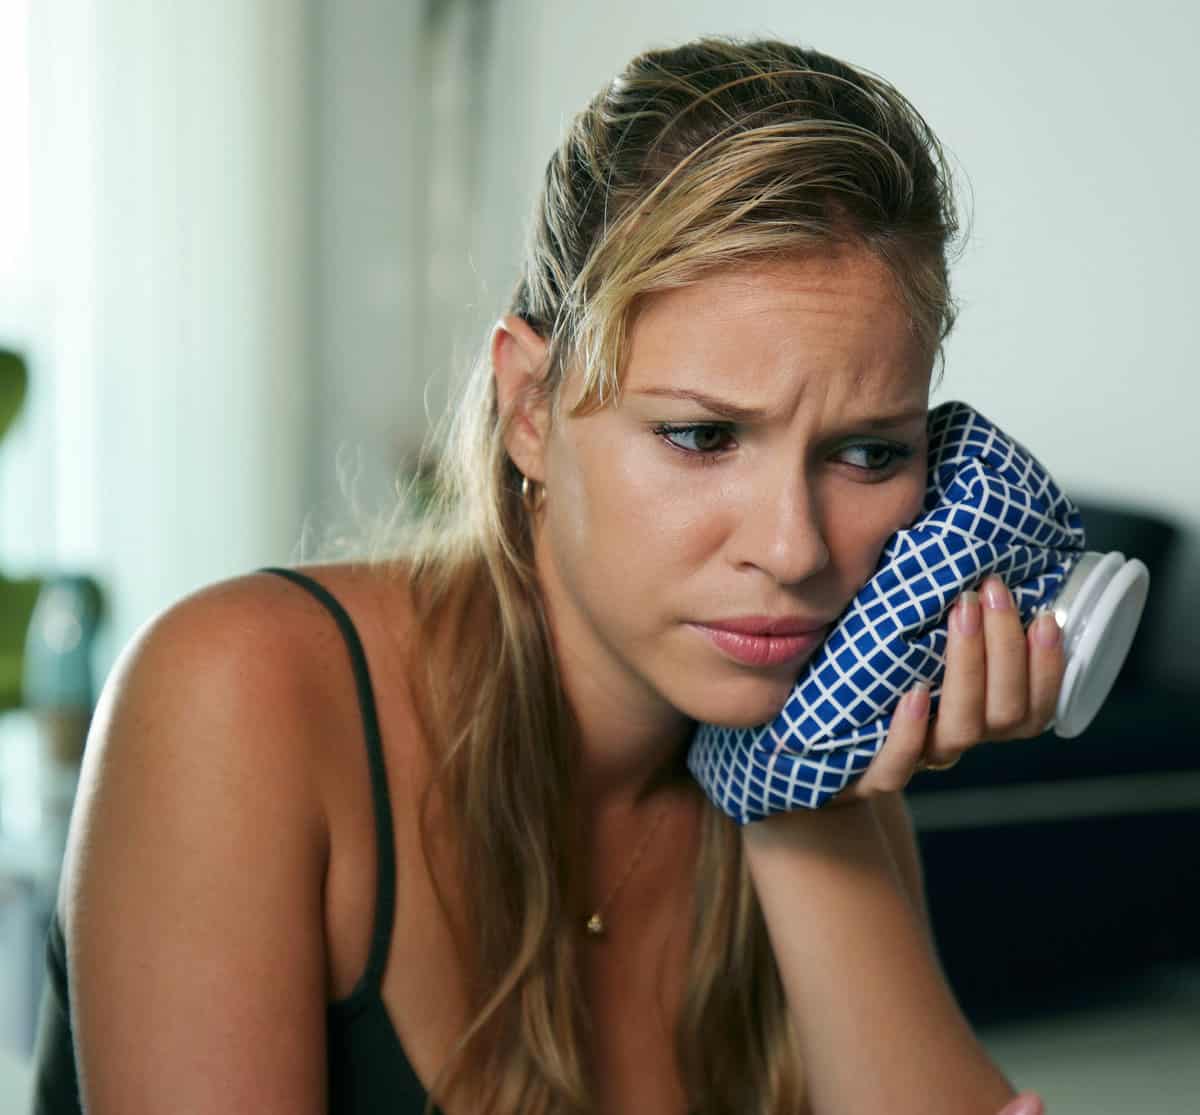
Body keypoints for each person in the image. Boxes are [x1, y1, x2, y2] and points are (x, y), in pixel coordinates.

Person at [30, 36, 1060, 1115]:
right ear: (530, 408)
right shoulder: (238, 697)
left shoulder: (817, 762)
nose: (796, 549)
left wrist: (804, 802)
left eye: (867, 453)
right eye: (704, 436)